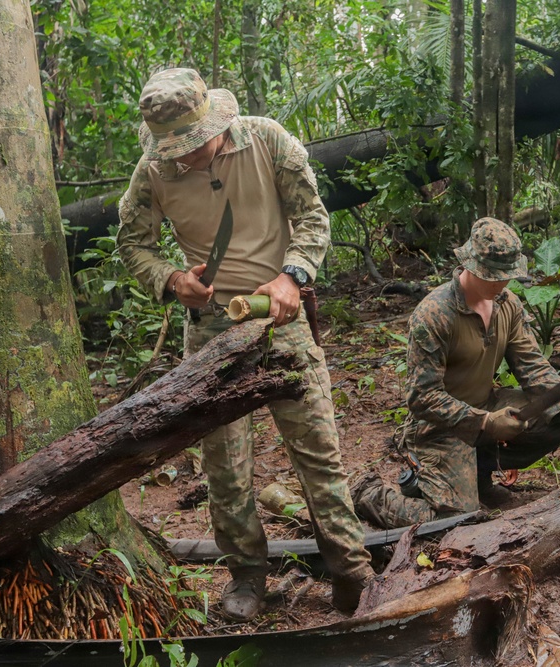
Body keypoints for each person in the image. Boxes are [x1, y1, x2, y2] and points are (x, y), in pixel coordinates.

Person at [116, 68, 374, 620]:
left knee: (317, 451)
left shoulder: (266, 140)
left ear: (215, 122)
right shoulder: (153, 170)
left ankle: (351, 570)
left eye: (189, 145)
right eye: (171, 149)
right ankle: (246, 578)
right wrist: (170, 279)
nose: (180, 157)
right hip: (211, 328)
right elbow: (132, 245)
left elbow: (313, 217)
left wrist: (292, 276)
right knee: (224, 465)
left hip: (283, 319)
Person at [352, 218, 560, 529]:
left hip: (487, 407)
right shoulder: (434, 315)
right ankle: (370, 494)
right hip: (439, 429)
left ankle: (477, 472)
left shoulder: (507, 305)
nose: (503, 284)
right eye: (494, 277)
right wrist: (485, 422)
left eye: (508, 276)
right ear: (470, 267)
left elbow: (531, 364)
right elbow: (422, 398)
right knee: (457, 521)